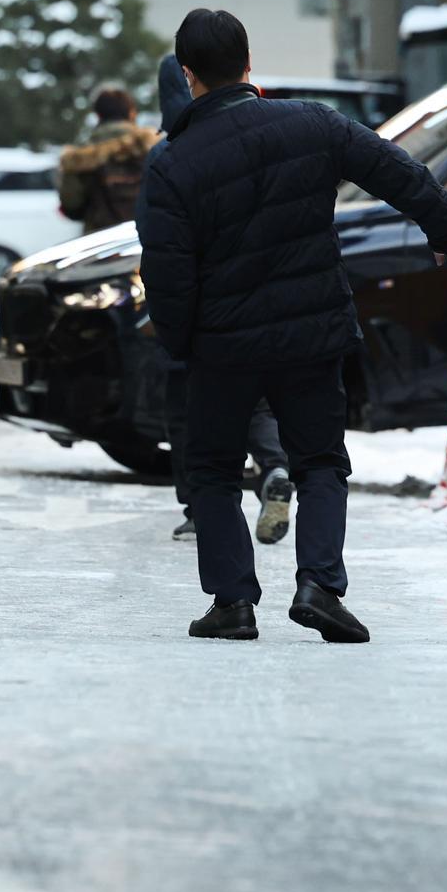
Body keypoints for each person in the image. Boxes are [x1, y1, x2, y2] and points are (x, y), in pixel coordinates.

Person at [140, 9, 447, 644]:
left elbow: (169, 275)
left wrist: (183, 348)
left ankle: (232, 602)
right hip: (311, 334)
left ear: (188, 75)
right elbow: (395, 169)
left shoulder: (171, 164)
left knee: (212, 469)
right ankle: (320, 585)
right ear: (247, 62)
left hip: (223, 344)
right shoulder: (311, 124)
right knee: (320, 461)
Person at [142, 55, 293, 546]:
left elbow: (157, 243)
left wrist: (164, 320)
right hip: (256, 300)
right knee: (257, 402)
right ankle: (273, 466)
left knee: (189, 414)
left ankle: (202, 508)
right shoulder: (259, 141)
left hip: (195, 308)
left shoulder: (167, 156)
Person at [57, 87, 159, 234]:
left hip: (102, 244)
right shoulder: (155, 148)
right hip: (151, 241)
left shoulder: (78, 158)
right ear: (131, 113)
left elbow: (71, 205)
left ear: (98, 116)